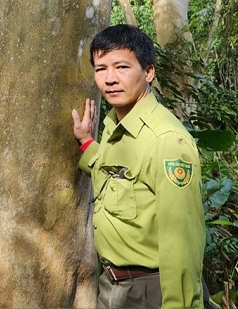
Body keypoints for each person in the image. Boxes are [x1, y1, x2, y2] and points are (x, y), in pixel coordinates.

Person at [71, 24, 206, 309]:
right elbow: (117, 175)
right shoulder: (114, 126)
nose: (110, 79)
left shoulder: (168, 141)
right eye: (100, 69)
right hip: (113, 287)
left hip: (151, 292)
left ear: (148, 72)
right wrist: (86, 142)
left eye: (121, 67)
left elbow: (181, 240)